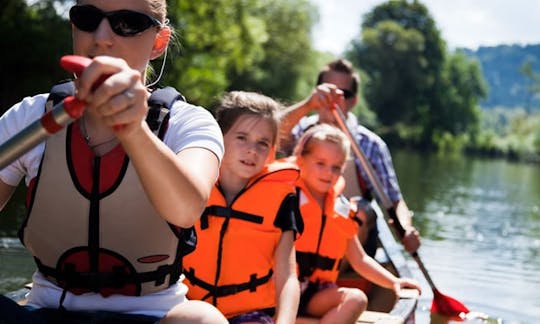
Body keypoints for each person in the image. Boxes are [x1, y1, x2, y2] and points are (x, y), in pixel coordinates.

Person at [0, 1, 227, 323]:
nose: (102, 37)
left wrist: (133, 129)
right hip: (44, 310)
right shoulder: (30, 116)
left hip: (151, 314)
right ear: (74, 28)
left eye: (127, 23)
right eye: (88, 18)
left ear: (158, 42)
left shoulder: (189, 124)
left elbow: (186, 209)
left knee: (205, 319)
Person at [182, 91, 303, 324]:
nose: (252, 150)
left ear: (272, 150)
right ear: (218, 135)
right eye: (242, 138)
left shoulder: (282, 199)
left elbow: (287, 276)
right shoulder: (192, 182)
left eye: (262, 143)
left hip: (250, 315)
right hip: (189, 307)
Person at [279, 58, 421, 257]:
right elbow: (269, 133)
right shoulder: (299, 129)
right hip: (300, 228)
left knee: (361, 211)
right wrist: (307, 105)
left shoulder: (371, 145)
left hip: (348, 240)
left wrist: (405, 229)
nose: (332, 99)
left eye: (342, 94)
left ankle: (333, 272)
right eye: (326, 90)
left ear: (353, 100)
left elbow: (395, 201)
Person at [290, 124, 421, 324]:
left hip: (315, 294)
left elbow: (359, 259)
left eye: (336, 167)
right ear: (300, 159)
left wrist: (394, 282)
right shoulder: (286, 199)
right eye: (320, 163)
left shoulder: (340, 208)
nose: (328, 172)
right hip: (280, 289)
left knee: (357, 299)